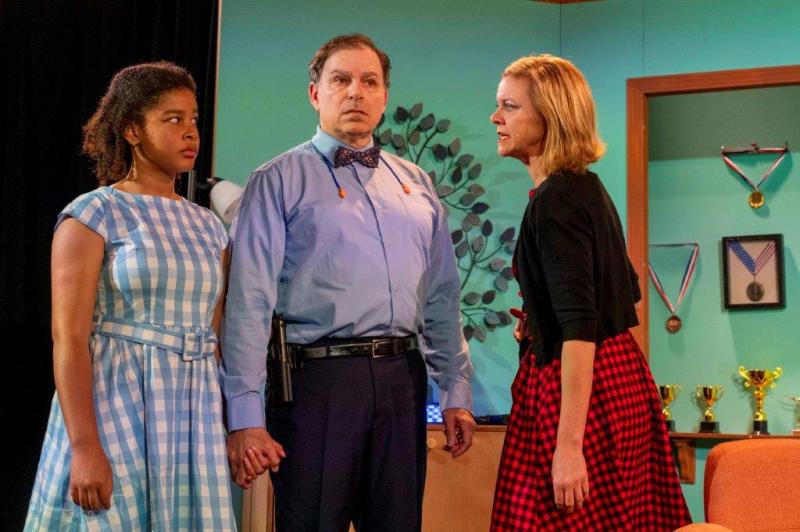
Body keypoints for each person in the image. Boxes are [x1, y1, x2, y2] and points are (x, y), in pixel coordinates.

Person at [220, 33, 476, 531]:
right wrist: (245, 416)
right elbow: (248, 303)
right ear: (315, 93)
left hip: (404, 379)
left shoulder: (418, 184)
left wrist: (456, 394)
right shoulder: (276, 180)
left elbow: (443, 299)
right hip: (317, 385)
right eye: (341, 80)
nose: (355, 92)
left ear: (384, 97)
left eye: (369, 81)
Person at [25, 61, 236, 531]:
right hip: (116, 404)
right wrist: (84, 446)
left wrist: (228, 422)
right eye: (172, 119)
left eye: (194, 119)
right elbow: (70, 338)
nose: (190, 132)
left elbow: (215, 333)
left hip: (189, 411)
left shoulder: (208, 227)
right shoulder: (94, 213)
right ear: (132, 131)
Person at [488, 54, 692, 530]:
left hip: (579, 393)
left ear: (551, 116)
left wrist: (568, 447)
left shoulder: (556, 201)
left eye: (510, 107)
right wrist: (541, 315)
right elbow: (623, 292)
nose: (496, 118)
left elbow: (581, 328)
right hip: (619, 380)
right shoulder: (586, 188)